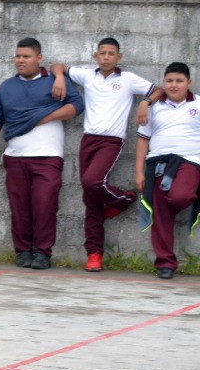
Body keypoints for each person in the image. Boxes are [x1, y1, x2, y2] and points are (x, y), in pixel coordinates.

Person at [50, 38, 161, 272]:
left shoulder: (128, 79)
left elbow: (158, 90)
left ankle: (125, 200)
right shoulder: (87, 76)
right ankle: (94, 254)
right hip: (88, 140)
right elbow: (57, 66)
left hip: (111, 141)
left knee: (92, 182)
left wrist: (145, 103)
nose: (107, 57)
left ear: (119, 57)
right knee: (91, 198)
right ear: (96, 56)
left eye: (111, 53)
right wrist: (59, 76)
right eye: (102, 53)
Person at [0, 38, 84, 270]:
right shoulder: (7, 87)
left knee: (45, 205)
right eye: (18, 56)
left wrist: (45, 117)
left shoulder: (54, 81)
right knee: (19, 208)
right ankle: (23, 251)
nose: (21, 60)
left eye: (26, 56)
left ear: (39, 58)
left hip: (48, 156)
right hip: (15, 157)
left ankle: (43, 253)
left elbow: (77, 106)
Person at [134, 62, 200, 280]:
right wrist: (139, 172)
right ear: (164, 82)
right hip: (158, 164)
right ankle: (165, 264)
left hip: (189, 162)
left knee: (180, 196)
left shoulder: (198, 104)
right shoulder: (153, 108)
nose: (174, 85)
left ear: (188, 83)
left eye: (179, 81)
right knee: (160, 210)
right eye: (169, 81)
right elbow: (143, 140)